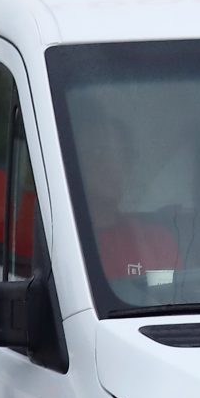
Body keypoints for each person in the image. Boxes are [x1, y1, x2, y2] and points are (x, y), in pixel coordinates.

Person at [77, 115, 181, 284]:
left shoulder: (156, 240)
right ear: (75, 160)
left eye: (122, 154)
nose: (114, 164)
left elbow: (169, 299)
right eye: (99, 152)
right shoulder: (67, 244)